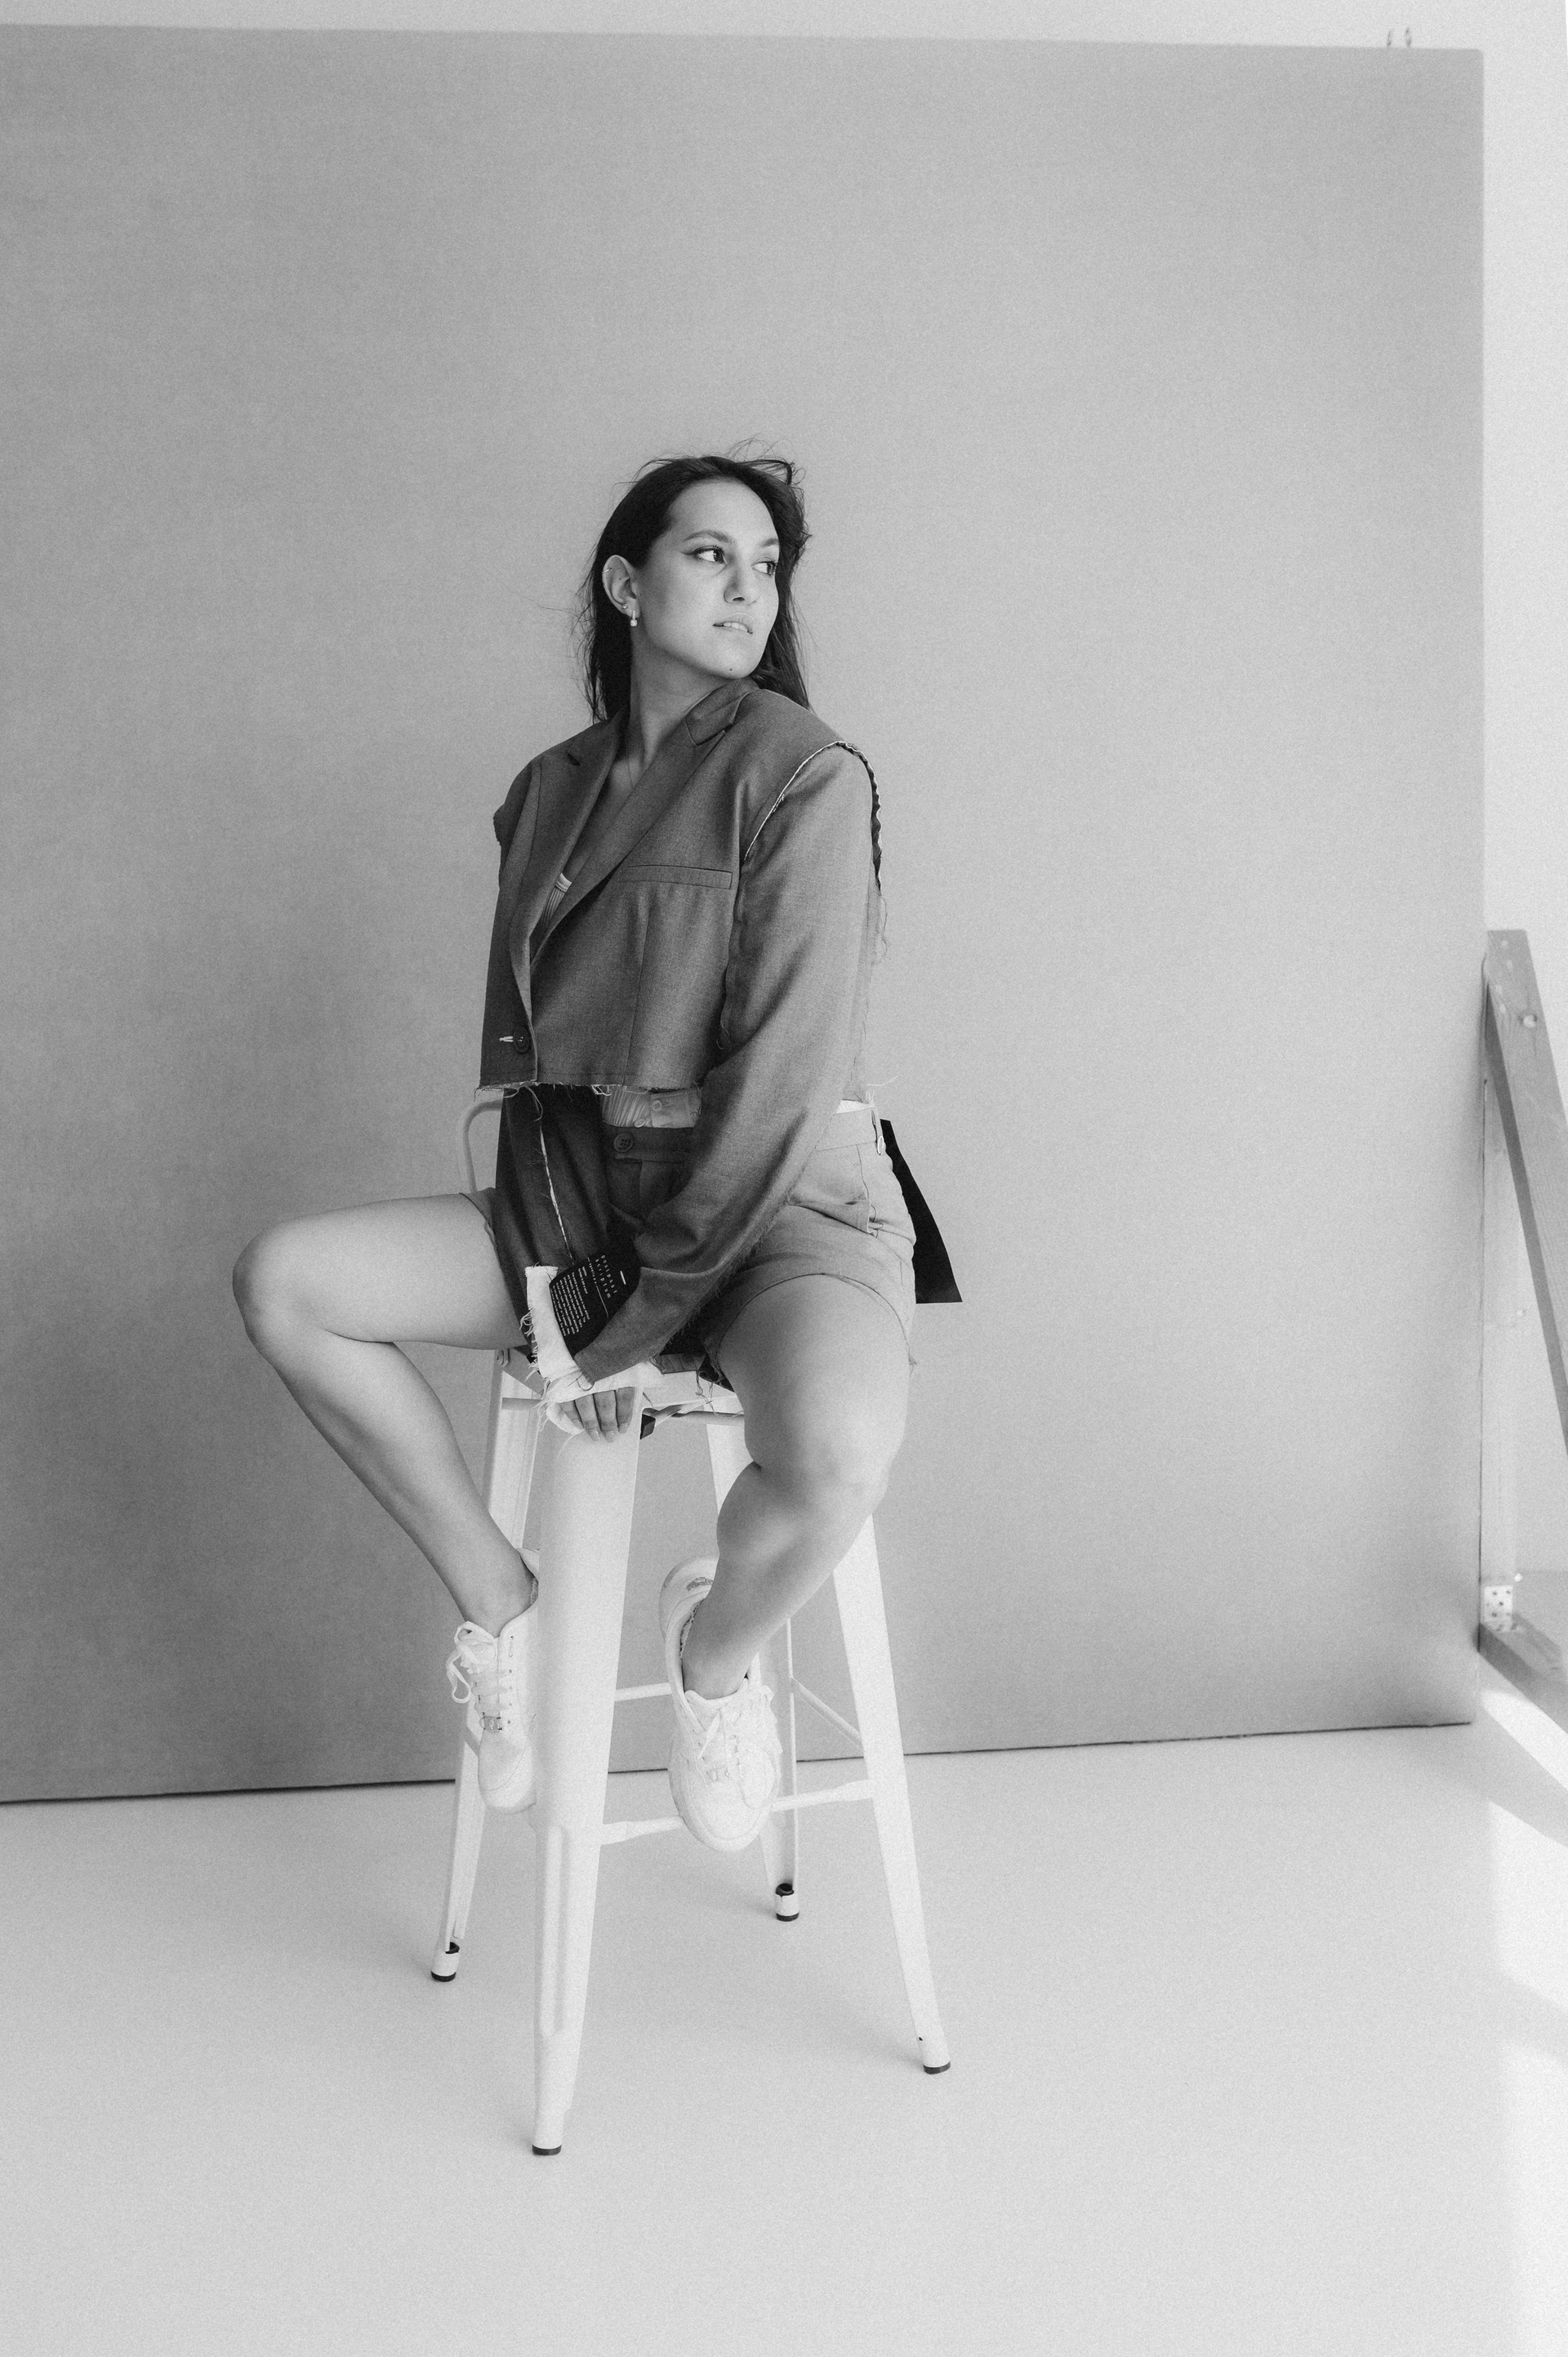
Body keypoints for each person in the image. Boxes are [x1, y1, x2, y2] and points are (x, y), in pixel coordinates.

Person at [233, 450, 920, 1854]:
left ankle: (715, 1655)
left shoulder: (805, 774)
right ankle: (500, 1599)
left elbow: (777, 1097)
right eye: (711, 554)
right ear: (626, 582)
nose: (747, 588)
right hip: (589, 1208)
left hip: (785, 1214)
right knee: (287, 1282)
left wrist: (618, 1327)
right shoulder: (545, 793)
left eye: (766, 564)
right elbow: (539, 1082)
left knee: (841, 1448)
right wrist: (568, 1291)